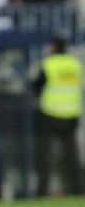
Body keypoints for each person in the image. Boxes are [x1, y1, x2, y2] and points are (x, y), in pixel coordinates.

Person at [31, 35, 84, 197]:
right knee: (72, 157)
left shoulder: (48, 64)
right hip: (72, 114)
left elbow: (36, 87)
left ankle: (42, 192)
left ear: (53, 47)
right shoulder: (75, 65)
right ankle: (78, 190)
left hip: (50, 114)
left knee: (45, 156)